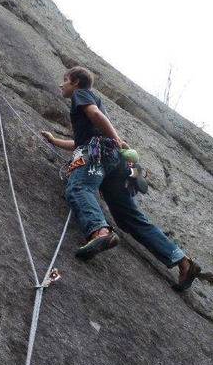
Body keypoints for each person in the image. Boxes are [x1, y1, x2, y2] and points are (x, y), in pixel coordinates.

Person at [41, 66, 201, 292]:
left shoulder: (81, 94)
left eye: (65, 80)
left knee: (78, 188)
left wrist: (116, 138)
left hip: (98, 154)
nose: (61, 84)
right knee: (128, 217)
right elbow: (80, 143)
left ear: (76, 82)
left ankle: (100, 233)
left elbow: (95, 116)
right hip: (113, 163)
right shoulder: (85, 109)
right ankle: (183, 262)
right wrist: (54, 140)